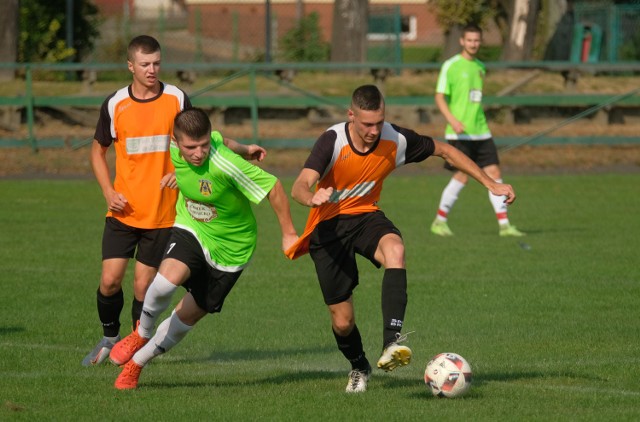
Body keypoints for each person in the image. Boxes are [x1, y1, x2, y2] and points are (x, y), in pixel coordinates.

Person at [285, 84, 516, 393]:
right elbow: (299, 186)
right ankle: (359, 366)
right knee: (342, 322)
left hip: (366, 215)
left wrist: (491, 183)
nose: (373, 130)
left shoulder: (395, 138)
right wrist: (312, 197)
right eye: (367, 124)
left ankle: (392, 343)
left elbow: (445, 150)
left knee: (396, 248)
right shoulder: (332, 141)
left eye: (379, 122)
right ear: (350, 115)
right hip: (328, 228)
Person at [82, 35, 261, 366]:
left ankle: (134, 349)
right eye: (145, 64)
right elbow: (98, 150)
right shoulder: (115, 103)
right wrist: (108, 191)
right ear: (130, 66)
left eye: (157, 63)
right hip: (123, 210)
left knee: (142, 285)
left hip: (164, 214)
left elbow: (201, 140)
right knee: (109, 281)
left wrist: (243, 149)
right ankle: (109, 337)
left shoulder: (177, 98)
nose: (152, 70)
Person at [109, 107, 298, 389]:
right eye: (191, 147)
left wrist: (288, 233)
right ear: (176, 141)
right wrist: (246, 148)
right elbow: (225, 138)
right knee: (164, 282)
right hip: (192, 228)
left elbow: (273, 187)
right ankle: (142, 332)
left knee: (185, 318)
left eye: (204, 145)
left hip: (231, 251)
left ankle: (137, 364)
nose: (198, 153)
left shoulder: (225, 163)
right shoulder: (175, 148)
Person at [429, 23, 525, 237]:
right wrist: (452, 120)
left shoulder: (480, 67)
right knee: (462, 177)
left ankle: (504, 225)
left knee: (494, 174)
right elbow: (439, 96)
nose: (473, 44)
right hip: (459, 133)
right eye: (469, 40)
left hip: (481, 131)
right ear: (462, 41)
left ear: (480, 42)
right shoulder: (451, 65)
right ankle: (439, 221)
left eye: (476, 40)